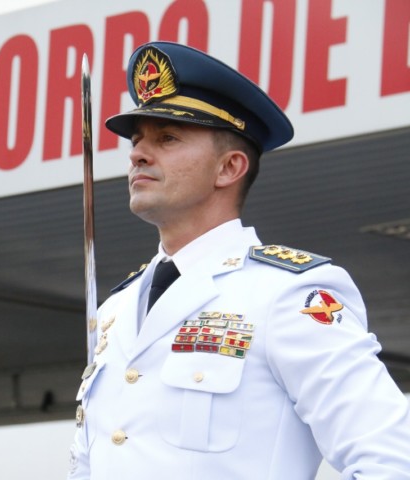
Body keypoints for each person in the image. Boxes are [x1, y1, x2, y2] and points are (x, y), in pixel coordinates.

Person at [67, 41, 410, 479]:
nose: (137, 154)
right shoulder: (115, 310)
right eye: (137, 141)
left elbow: (391, 459)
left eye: (167, 138)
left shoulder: (287, 294)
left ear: (229, 168)